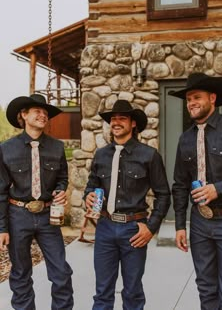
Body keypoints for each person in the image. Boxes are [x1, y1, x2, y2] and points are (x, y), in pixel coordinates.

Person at [84, 99, 170, 310]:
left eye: (122, 118)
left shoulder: (149, 155)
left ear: (133, 124)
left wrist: (151, 228)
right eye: (113, 119)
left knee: (132, 292)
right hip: (105, 228)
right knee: (102, 292)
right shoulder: (101, 154)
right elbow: (91, 185)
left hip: (134, 229)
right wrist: (88, 196)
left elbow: (163, 194)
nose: (116, 122)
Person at [0, 94, 74, 310]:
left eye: (45, 112)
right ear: (23, 115)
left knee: (61, 272)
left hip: (48, 217)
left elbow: (62, 178)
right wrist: (2, 227)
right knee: (21, 273)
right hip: (18, 216)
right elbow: (1, 190)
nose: (43, 115)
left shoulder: (57, 147)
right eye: (37, 111)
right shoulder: (5, 149)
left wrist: (60, 191)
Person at [169, 72, 222, 309]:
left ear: (213, 99)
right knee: (206, 291)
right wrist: (179, 225)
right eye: (188, 99)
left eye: (196, 97)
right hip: (199, 223)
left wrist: (219, 189)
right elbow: (179, 185)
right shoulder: (185, 139)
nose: (191, 103)